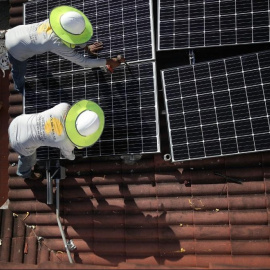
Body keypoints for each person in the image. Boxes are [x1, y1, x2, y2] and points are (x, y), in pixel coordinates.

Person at [5, 5, 125, 94]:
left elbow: (75, 34)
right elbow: (83, 62)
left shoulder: (60, 20)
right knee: (19, 71)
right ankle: (18, 87)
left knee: (32, 47)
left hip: (16, 32)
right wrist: (109, 61)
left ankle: (29, 51)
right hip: (14, 48)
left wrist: (86, 48)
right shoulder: (56, 43)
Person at [8, 100, 104, 180]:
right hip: (19, 142)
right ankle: (24, 173)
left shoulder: (64, 107)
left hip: (18, 122)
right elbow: (69, 156)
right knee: (29, 160)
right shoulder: (67, 142)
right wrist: (74, 157)